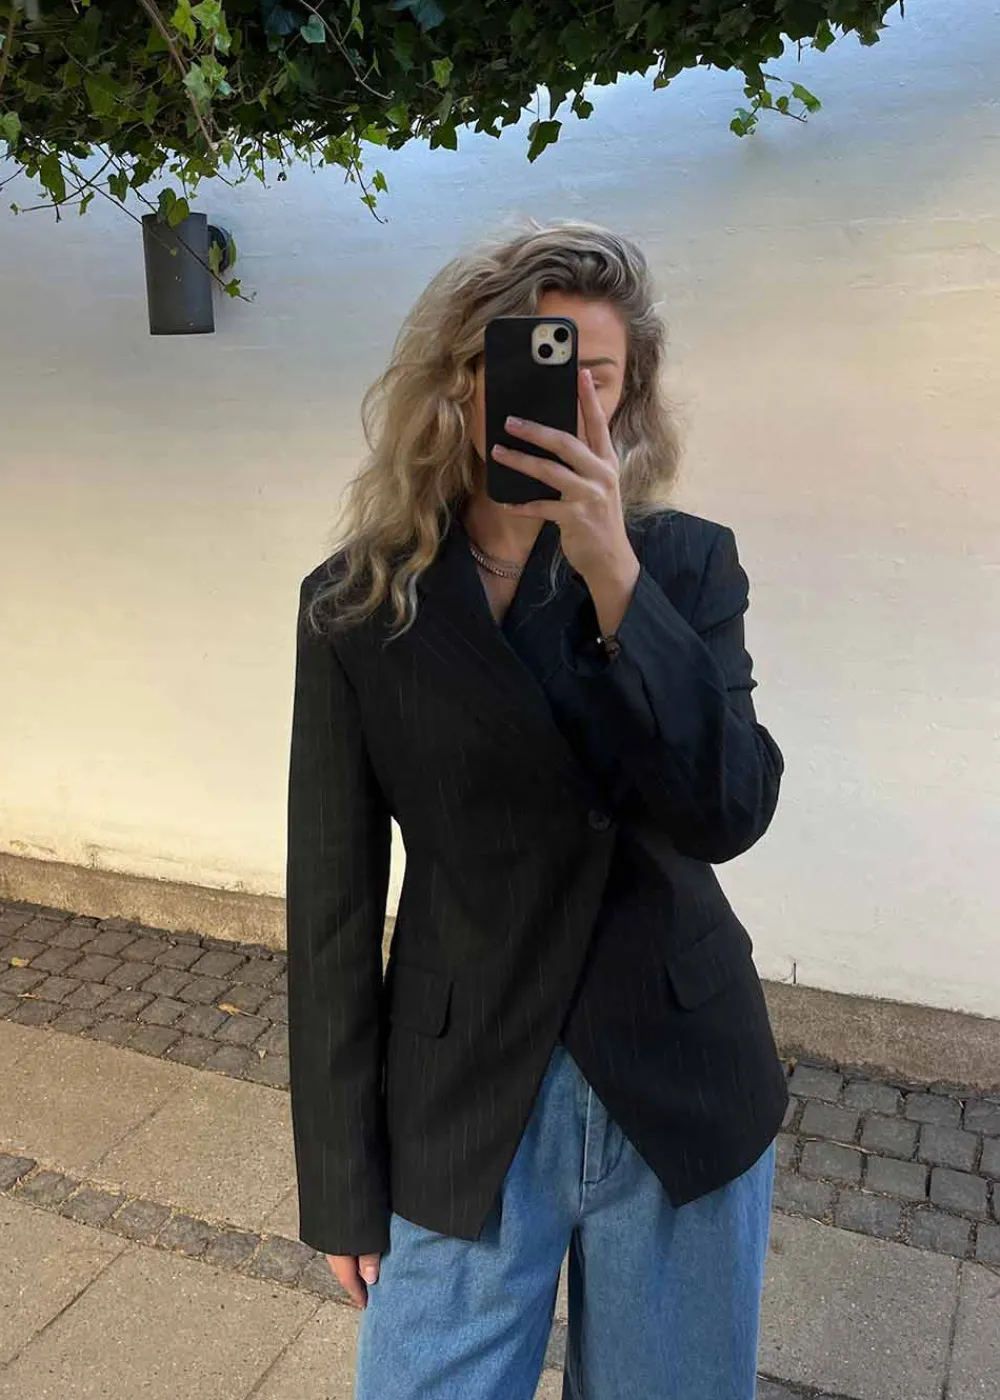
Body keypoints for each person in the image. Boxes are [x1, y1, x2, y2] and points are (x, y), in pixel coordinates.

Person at [285, 222, 789, 1400]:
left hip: (677, 1079)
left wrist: (615, 576)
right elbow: (332, 904)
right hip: (464, 1092)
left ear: (627, 395)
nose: (568, 398)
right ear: (462, 383)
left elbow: (727, 810)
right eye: (530, 365)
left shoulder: (683, 568)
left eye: (595, 374)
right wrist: (340, 1180)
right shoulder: (360, 604)